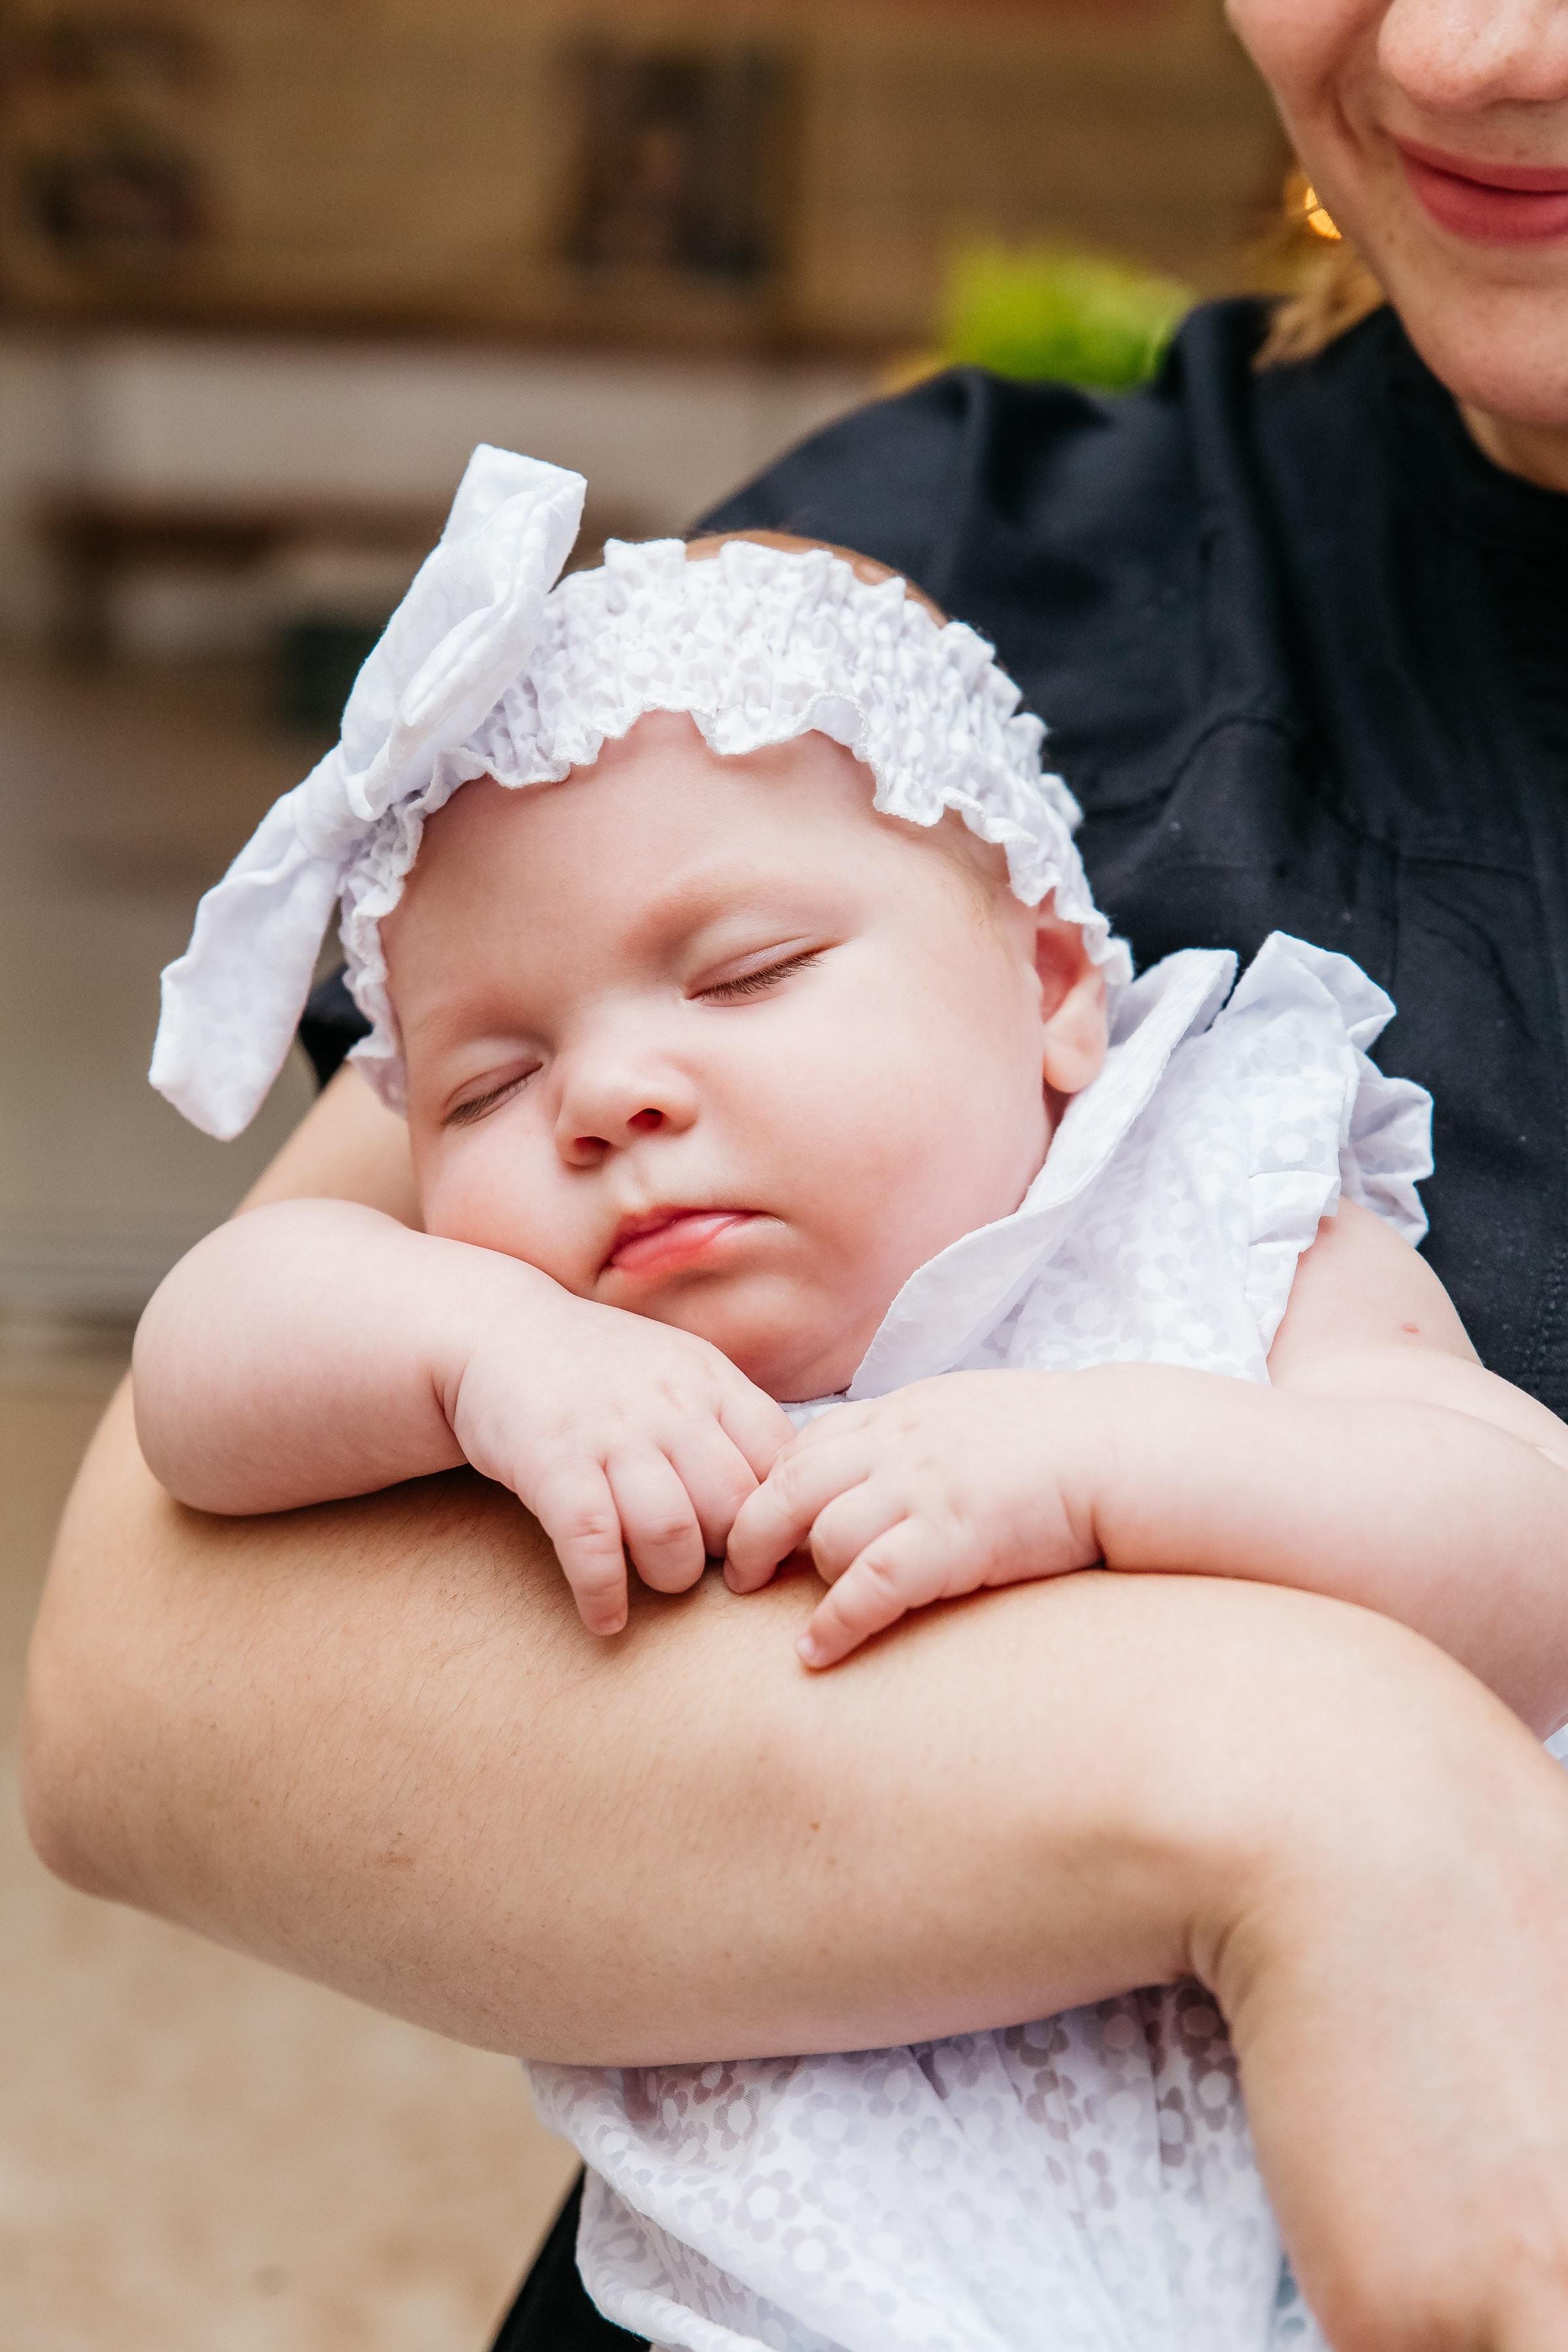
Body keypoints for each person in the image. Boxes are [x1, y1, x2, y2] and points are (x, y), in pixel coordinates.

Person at [22, 1, 1568, 2345]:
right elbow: (165, 1565)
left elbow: (1522, 1545)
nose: (609, 1098)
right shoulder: (833, 643)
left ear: (1068, 984)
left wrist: (1113, 1478)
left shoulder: (1204, 1179)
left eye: (740, 975)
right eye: (489, 1078)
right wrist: (473, 1348)